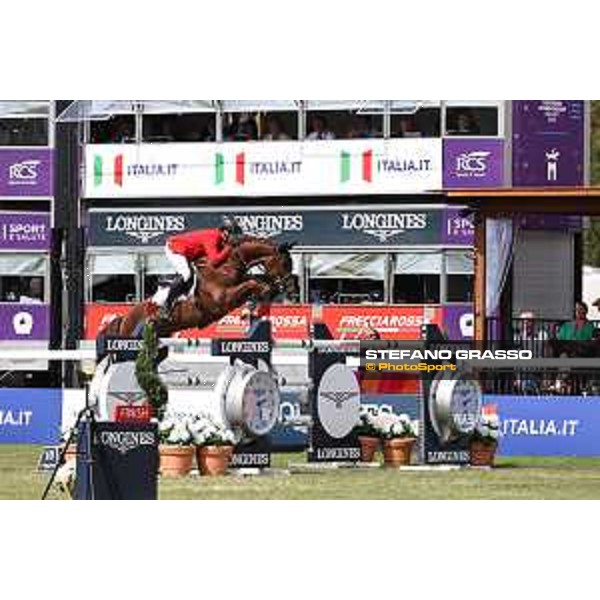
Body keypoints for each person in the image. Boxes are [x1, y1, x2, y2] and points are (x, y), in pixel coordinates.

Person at [154, 218, 242, 318]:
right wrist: (229, 247)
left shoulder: (220, 239)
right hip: (175, 247)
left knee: (196, 273)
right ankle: (166, 306)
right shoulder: (213, 237)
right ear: (225, 231)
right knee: (186, 274)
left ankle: (184, 294)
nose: (234, 237)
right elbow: (215, 261)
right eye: (233, 234)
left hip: (189, 253)